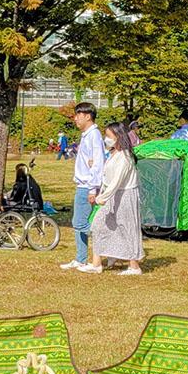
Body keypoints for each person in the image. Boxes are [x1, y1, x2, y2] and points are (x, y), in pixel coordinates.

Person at [79, 122, 143, 276]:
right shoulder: (114, 153)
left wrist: (101, 198)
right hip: (112, 195)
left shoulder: (125, 157)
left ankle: (134, 266)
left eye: (108, 136)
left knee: (127, 228)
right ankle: (97, 263)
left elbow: (116, 181)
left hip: (124, 196)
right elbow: (108, 174)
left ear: (118, 137)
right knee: (99, 225)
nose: (106, 139)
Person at [60, 102, 105, 270]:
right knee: (78, 222)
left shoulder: (94, 135)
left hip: (87, 186)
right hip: (82, 184)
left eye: (78, 115)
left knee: (80, 223)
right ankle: (81, 258)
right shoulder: (86, 135)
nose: (75, 119)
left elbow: (98, 163)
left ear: (87, 116)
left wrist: (93, 188)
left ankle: (108, 244)